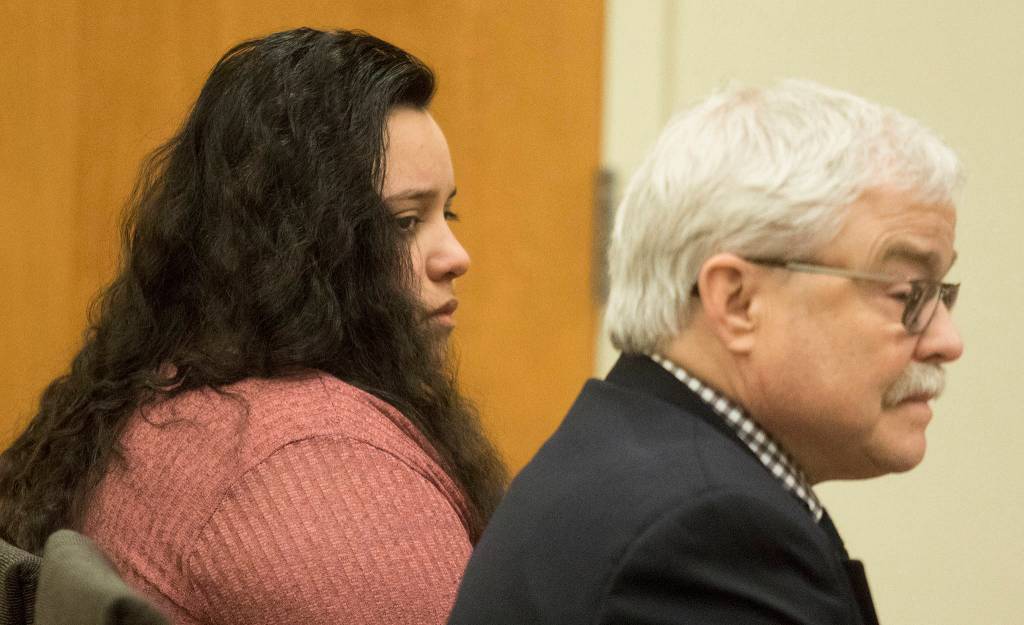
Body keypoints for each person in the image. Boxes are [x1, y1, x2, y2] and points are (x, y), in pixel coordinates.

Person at [0, 28, 506, 625]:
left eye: (445, 212)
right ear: (297, 247)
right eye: (402, 223)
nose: (455, 255)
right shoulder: (311, 464)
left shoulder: (188, 390)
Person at [447, 79, 964, 625]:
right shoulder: (702, 534)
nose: (947, 341)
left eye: (943, 293)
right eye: (908, 292)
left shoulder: (641, 462)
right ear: (737, 302)